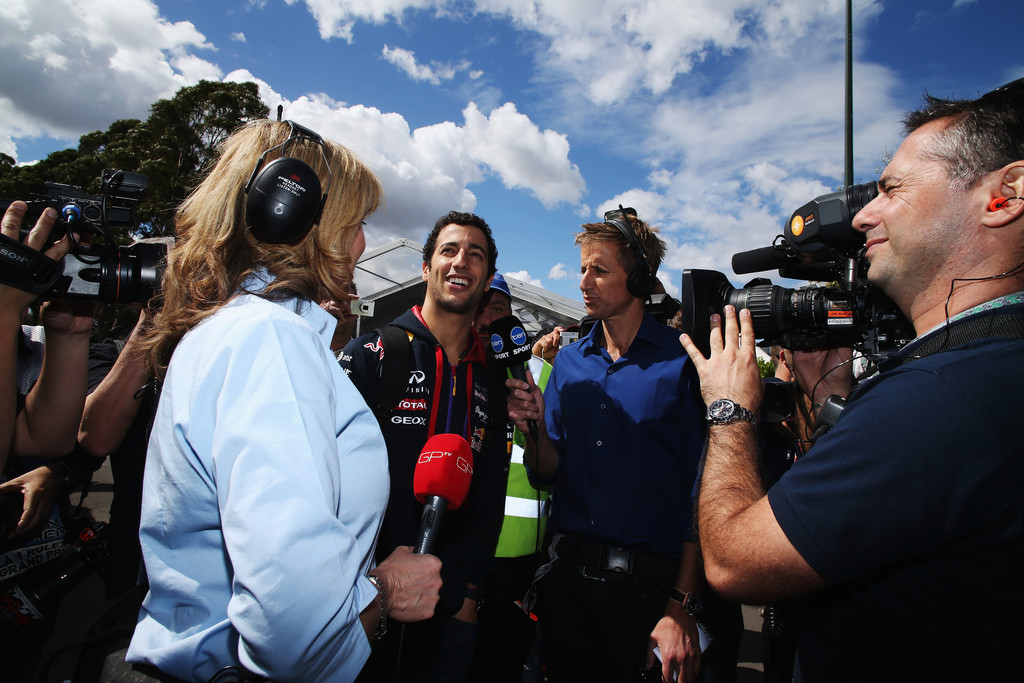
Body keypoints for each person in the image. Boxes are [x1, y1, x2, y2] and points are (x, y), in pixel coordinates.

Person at [680, 79, 1024, 681]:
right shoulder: (987, 366)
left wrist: (730, 408)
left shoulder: (941, 398)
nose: (865, 215)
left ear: (1005, 196)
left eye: (891, 188)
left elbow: (735, 562)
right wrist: (827, 399)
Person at [124, 119, 442, 682]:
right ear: (294, 213)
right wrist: (385, 593)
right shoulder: (269, 339)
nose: (363, 242)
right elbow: (294, 634)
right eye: (358, 222)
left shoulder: (239, 330)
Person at [506, 210, 734, 683]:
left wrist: (682, 606)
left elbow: (702, 494)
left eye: (599, 269)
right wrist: (535, 431)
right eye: (583, 268)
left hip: (654, 597)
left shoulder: (685, 360)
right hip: (568, 592)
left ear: (639, 277)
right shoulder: (568, 363)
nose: (584, 281)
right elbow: (547, 471)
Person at [340, 211, 507, 682]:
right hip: (365, 601)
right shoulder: (371, 354)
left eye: (476, 255)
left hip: (451, 610)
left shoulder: (494, 378)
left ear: (487, 277)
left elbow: (490, 491)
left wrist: (470, 594)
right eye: (449, 250)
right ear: (426, 266)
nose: (461, 262)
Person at [465, 273, 552, 683]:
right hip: (459, 552)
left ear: (511, 315)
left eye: (496, 308)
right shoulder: (457, 365)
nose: (486, 317)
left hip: (520, 558)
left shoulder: (543, 374)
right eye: (480, 305)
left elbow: (555, 461)